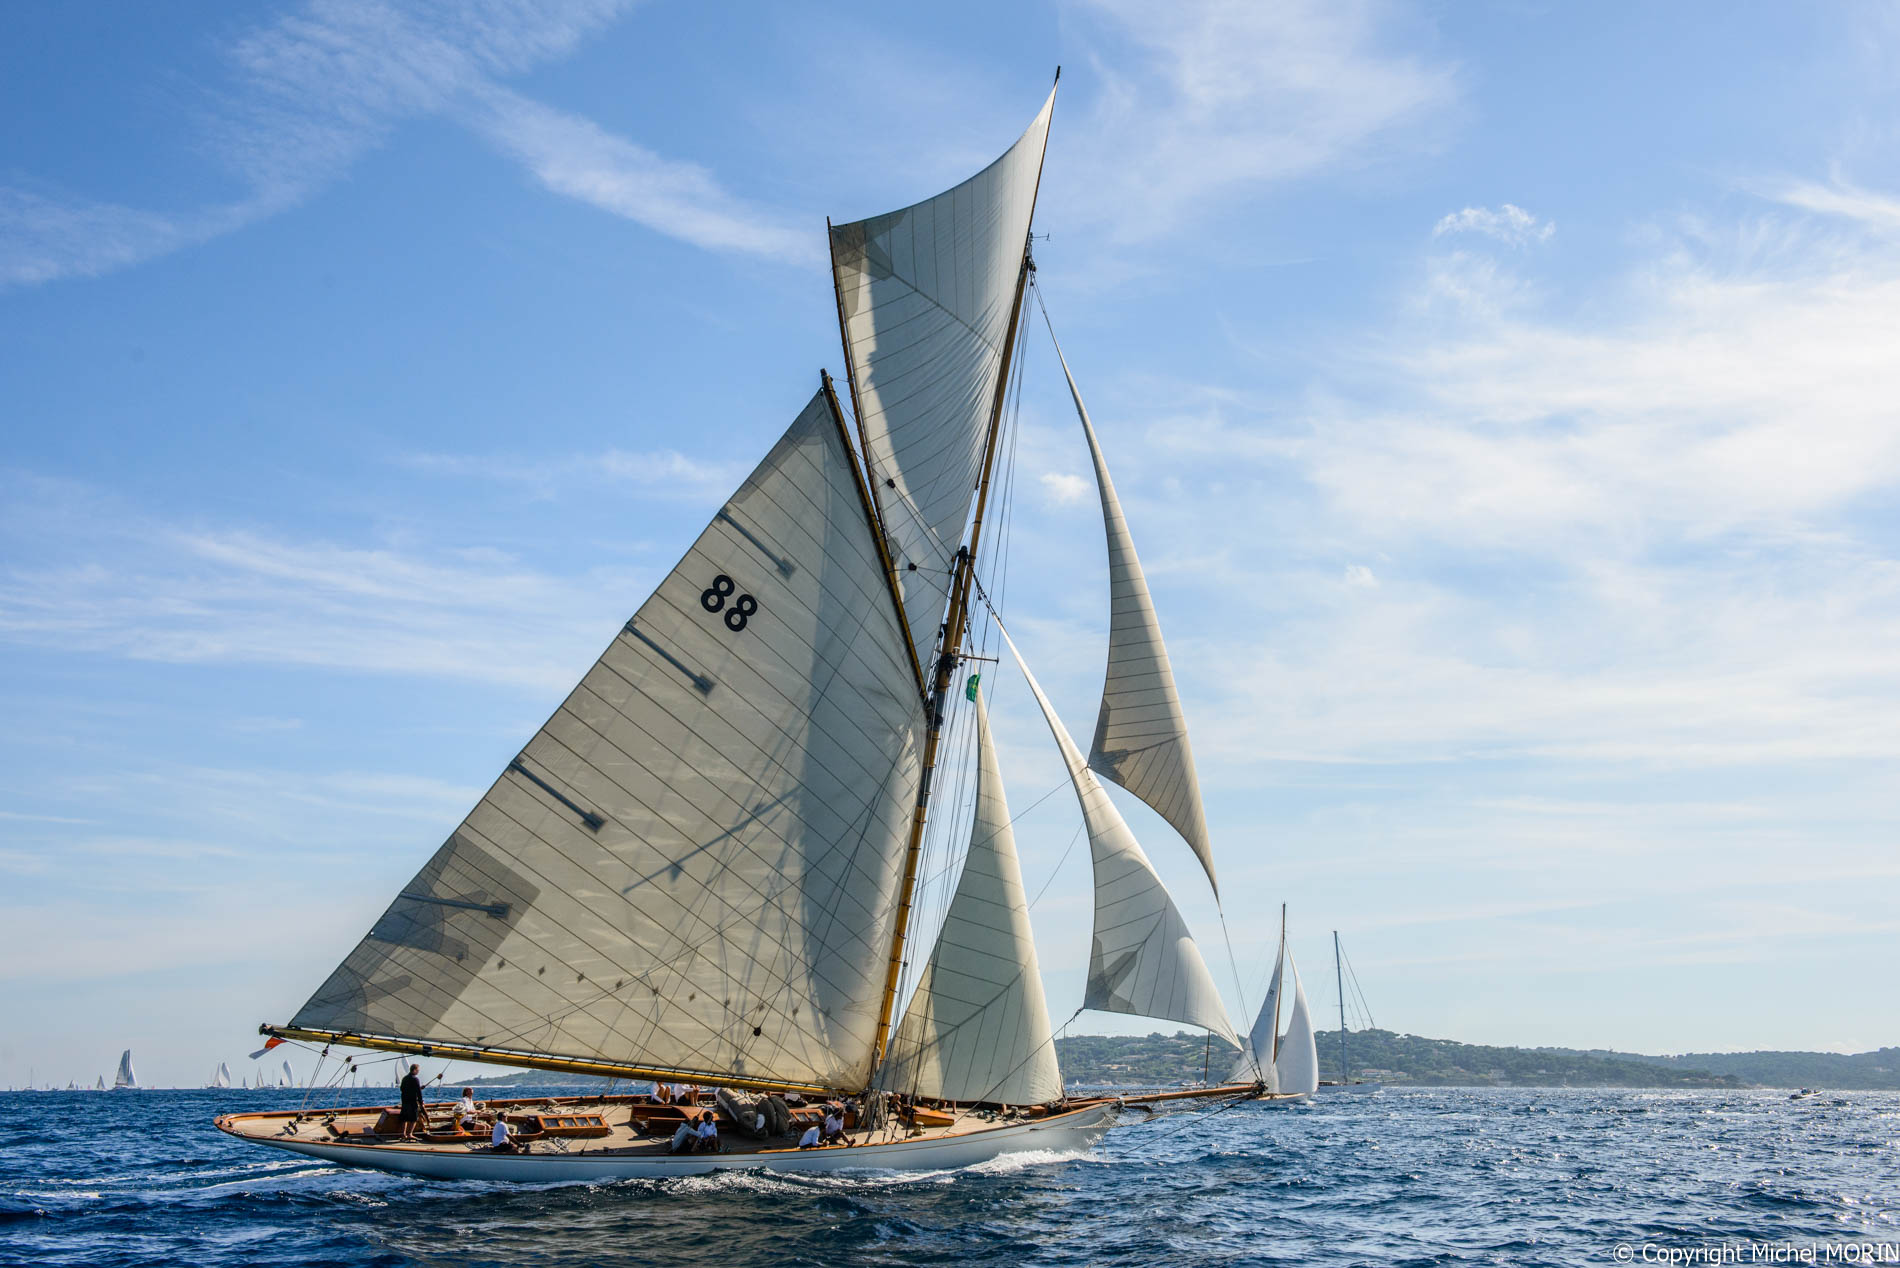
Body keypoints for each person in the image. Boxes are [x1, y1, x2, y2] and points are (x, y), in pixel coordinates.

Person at [398, 1064, 423, 1140]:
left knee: (404, 1118)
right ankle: (409, 1134)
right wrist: (421, 1101)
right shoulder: (415, 1079)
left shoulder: (405, 1078)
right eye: (418, 1070)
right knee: (413, 1118)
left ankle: (403, 1134)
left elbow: (402, 1089)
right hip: (412, 1102)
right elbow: (418, 1092)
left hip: (405, 1101)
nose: (418, 1072)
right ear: (414, 1070)